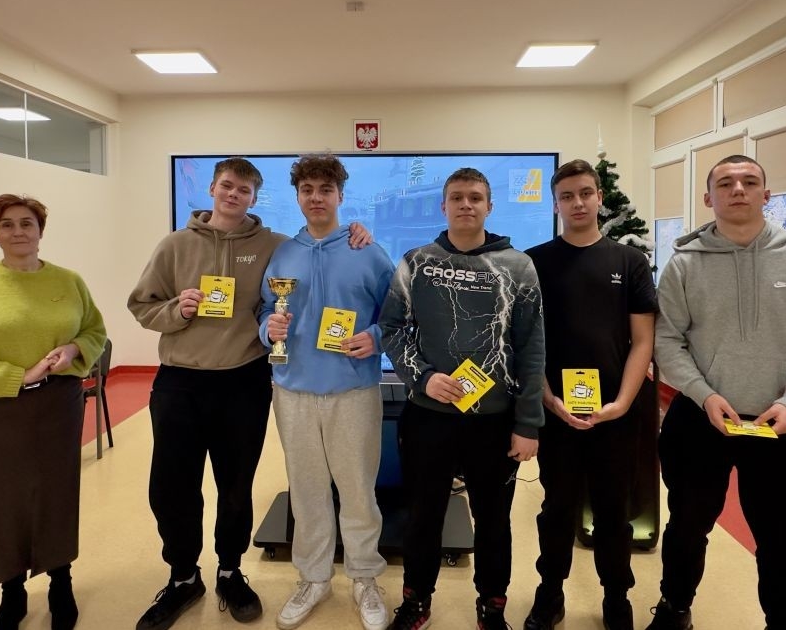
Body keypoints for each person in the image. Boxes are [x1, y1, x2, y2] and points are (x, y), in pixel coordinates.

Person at [128, 157, 371, 630]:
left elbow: (292, 279)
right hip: (180, 381)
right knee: (172, 487)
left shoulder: (274, 246)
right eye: (226, 186)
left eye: (243, 190)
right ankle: (182, 577)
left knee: (236, 485)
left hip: (243, 381)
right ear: (213, 190)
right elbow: (141, 305)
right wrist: (178, 310)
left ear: (255, 198)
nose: (233, 195)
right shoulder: (175, 245)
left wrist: (357, 230)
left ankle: (230, 570)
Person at [647, 155, 786, 630]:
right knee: (686, 526)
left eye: (749, 181)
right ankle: (675, 608)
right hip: (700, 419)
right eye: (725, 183)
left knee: (781, 537)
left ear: (766, 195)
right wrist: (702, 393)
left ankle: (785, 620)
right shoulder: (683, 266)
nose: (737, 189)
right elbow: (667, 341)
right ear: (708, 198)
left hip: (778, 424)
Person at [379, 167, 545, 630]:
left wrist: (527, 423)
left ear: (490, 206)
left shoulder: (518, 267)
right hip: (428, 417)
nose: (466, 204)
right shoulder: (416, 263)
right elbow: (391, 328)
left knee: (493, 521)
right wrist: (422, 377)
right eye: (457, 197)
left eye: (475, 197)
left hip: (494, 420)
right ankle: (416, 601)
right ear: (444, 206)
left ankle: (492, 605)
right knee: (423, 516)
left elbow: (532, 347)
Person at [0, 194, 107, 630]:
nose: (18, 232)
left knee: (56, 494)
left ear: (40, 231)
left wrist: (74, 349)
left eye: (27, 223)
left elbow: (94, 330)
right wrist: (20, 375)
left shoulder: (68, 281)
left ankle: (60, 581)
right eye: (7, 225)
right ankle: (11, 591)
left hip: (56, 407)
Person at [258, 153, 395, 630]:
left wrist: (375, 338)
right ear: (297, 196)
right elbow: (265, 311)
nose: (316, 198)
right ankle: (313, 578)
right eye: (307, 190)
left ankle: (364, 577)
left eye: (325, 190)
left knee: (358, 491)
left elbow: (396, 315)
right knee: (307, 491)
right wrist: (267, 329)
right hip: (292, 391)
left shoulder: (368, 251)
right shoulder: (283, 254)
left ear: (340, 195)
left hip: (353, 391)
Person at [522, 159, 656, 630]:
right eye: (567, 196)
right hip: (555, 410)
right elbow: (528, 341)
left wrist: (621, 404)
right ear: (555, 205)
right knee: (556, 508)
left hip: (616, 413)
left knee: (614, 509)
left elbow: (643, 341)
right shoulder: (535, 262)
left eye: (585, 193)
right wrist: (547, 398)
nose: (577, 203)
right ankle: (550, 593)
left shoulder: (629, 262)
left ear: (599, 197)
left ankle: (616, 597)